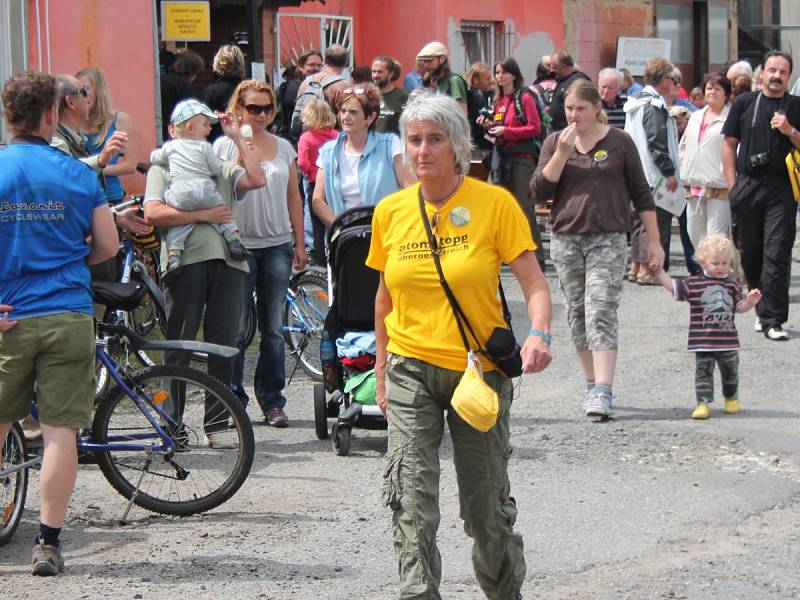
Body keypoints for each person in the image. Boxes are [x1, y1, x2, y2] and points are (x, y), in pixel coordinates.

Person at [366, 93, 553, 600]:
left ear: (457, 147)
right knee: (411, 501)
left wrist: (539, 333)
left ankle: (502, 592)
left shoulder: (494, 204)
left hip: (479, 371)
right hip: (409, 368)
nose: (423, 150)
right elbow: (384, 299)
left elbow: (535, 283)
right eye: (414, 140)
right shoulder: (390, 212)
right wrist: (381, 372)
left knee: (485, 507)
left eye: (435, 139)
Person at [0, 70, 119, 575]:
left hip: (8, 316)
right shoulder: (78, 174)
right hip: (68, 312)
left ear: (9, 116)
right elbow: (109, 246)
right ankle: (47, 543)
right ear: (52, 114)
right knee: (58, 432)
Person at [531, 79, 664, 418]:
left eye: (580, 109)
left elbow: (641, 192)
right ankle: (591, 385)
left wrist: (654, 241)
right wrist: (561, 154)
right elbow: (539, 190)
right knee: (576, 312)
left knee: (600, 310)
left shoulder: (619, 142)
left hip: (608, 237)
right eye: (568, 109)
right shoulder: (554, 142)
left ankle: (604, 390)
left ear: (596, 109)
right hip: (566, 238)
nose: (573, 115)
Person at [143, 91, 267, 441]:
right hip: (184, 264)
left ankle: (216, 423)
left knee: (224, 344)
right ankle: (171, 424)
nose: (202, 130)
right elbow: (152, 213)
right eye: (195, 124)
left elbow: (256, 179)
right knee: (179, 345)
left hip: (229, 263)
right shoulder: (163, 165)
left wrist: (237, 138)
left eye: (205, 126)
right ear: (174, 129)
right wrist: (204, 215)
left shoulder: (217, 160)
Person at [213, 80, 307, 427]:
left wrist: (300, 242)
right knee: (237, 328)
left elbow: (293, 196)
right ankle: (233, 400)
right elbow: (227, 185)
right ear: (239, 108)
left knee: (272, 328)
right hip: (240, 244)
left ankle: (272, 401)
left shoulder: (283, 146)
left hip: (277, 243)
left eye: (268, 108)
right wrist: (240, 138)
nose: (262, 114)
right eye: (254, 108)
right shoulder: (224, 146)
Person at [722, 50, 800, 341]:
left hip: (782, 188)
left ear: (789, 76)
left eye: (782, 72)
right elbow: (729, 144)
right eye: (772, 70)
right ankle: (760, 307)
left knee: (777, 252)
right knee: (751, 252)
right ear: (762, 74)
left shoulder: (796, 106)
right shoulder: (744, 103)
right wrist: (733, 186)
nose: (776, 76)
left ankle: (773, 319)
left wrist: (790, 130)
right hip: (747, 185)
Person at [654, 235, 761, 419]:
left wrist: (750, 302)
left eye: (725, 263)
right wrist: (659, 273)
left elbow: (738, 308)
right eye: (716, 263)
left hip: (727, 343)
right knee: (703, 375)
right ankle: (703, 403)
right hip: (702, 342)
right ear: (703, 263)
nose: (721, 267)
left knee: (731, 374)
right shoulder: (695, 284)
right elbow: (674, 287)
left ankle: (731, 398)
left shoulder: (732, 285)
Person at [150, 99, 249, 274]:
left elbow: (155, 157)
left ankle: (174, 256)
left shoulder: (170, 147)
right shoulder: (205, 147)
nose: (210, 129)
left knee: (178, 227)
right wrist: (206, 214)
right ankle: (234, 241)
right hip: (203, 187)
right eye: (205, 124)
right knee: (223, 214)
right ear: (190, 128)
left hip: (179, 192)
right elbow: (216, 168)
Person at [312, 84, 415, 227]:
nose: (346, 117)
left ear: (371, 117)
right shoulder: (328, 151)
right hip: (345, 239)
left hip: (388, 231)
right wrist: (340, 229)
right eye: (343, 111)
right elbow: (317, 200)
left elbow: (412, 189)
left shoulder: (390, 145)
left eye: (353, 112)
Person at [477, 57, 545, 267]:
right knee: (497, 207)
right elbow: (496, 133)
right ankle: (505, 253)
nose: (500, 76)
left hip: (522, 160)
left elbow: (535, 128)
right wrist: (487, 127)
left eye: (504, 72)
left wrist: (508, 131)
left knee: (523, 209)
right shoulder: (498, 101)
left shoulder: (524, 97)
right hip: (502, 159)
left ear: (514, 74)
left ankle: (536, 257)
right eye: (497, 73)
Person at [624, 57, 680, 282]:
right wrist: (669, 172)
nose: (674, 82)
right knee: (653, 224)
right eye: (671, 78)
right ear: (663, 80)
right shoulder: (653, 106)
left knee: (638, 223)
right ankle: (649, 270)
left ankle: (636, 267)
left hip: (634, 173)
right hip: (653, 175)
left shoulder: (634, 104)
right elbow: (656, 142)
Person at [680, 72, 732, 248]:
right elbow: (683, 146)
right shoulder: (695, 116)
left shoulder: (730, 118)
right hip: (694, 185)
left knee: (716, 239)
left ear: (726, 94)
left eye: (718, 89)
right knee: (695, 235)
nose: (712, 92)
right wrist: (683, 168)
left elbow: (736, 150)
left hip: (719, 186)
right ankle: (705, 273)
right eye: (709, 88)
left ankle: (716, 274)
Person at [77, 67, 137, 203]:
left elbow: (131, 165)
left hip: (110, 195)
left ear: (99, 91)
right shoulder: (74, 123)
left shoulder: (120, 119)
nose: (82, 95)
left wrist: (97, 168)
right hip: (82, 196)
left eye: (86, 89)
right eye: (79, 90)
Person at [297, 99, 338, 265]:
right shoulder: (337, 135)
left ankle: (320, 258)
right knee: (333, 218)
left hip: (315, 181)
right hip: (334, 181)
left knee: (317, 223)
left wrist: (308, 172)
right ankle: (335, 253)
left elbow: (302, 161)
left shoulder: (307, 137)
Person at [204, 44, 247, 142]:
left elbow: (207, 122)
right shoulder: (248, 88)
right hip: (245, 140)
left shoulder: (212, 91)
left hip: (219, 141)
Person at [159, 49, 204, 141]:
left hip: (159, 129)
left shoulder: (160, 80)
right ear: (192, 72)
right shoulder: (184, 86)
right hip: (177, 133)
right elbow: (190, 113)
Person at [416, 41, 468, 112]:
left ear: (442, 59)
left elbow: (462, 113)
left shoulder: (454, 80)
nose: (425, 65)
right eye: (424, 61)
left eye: (429, 61)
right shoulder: (435, 82)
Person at [547, 49, 590, 132]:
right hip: (557, 130)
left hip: (570, 131)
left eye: (554, 68)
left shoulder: (578, 81)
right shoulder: (562, 80)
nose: (551, 71)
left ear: (564, 67)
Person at [372, 55, 408, 135]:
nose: (375, 75)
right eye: (373, 71)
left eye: (380, 72)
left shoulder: (403, 97)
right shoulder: (367, 95)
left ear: (391, 74)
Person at [465, 62, 494, 152]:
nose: (492, 81)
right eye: (487, 78)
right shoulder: (477, 95)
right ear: (476, 80)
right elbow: (483, 119)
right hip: (480, 146)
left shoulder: (486, 95)